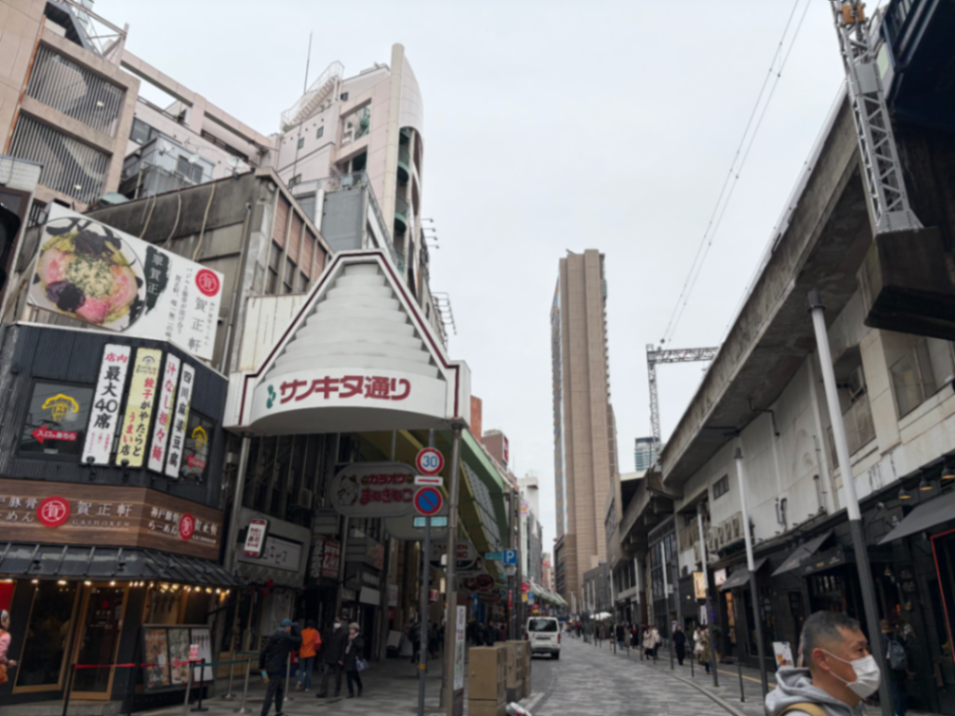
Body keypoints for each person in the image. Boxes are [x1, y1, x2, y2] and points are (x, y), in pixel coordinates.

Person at [766, 611, 882, 716]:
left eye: (867, 649)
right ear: (822, 659)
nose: (868, 657)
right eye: (860, 650)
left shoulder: (852, 706)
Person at [258, 618, 302, 716]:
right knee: (270, 692)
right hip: (277, 668)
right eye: (290, 627)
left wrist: (261, 666)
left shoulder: (273, 637)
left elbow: (263, 652)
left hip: (269, 667)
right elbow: (299, 640)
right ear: (287, 627)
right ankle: (264, 713)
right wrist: (296, 628)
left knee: (279, 689)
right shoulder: (286, 638)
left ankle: (278, 711)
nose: (290, 629)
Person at [880, 619, 914, 716]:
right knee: (900, 688)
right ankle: (902, 710)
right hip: (899, 666)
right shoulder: (896, 636)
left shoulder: (880, 638)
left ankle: (897, 711)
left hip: (888, 668)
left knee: (893, 690)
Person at [317, 618, 348, 698]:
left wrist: (342, 659)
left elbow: (344, 647)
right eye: (335, 622)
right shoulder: (330, 632)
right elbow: (326, 645)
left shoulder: (344, 633)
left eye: (338, 622)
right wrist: (324, 656)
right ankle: (323, 691)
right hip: (329, 656)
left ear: (341, 623)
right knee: (325, 674)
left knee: (337, 676)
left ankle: (337, 690)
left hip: (338, 657)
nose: (336, 624)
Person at [296, 620, 321, 691]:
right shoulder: (315, 632)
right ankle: (307, 687)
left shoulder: (302, 632)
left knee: (301, 669)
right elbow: (318, 642)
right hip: (311, 653)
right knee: (308, 670)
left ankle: (299, 680)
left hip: (302, 653)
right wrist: (315, 649)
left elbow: (299, 641)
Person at [342, 622, 364, 698]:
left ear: (356, 630)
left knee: (355, 675)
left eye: (352, 629)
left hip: (355, 659)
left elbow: (360, 646)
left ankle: (360, 686)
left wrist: (353, 640)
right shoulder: (347, 637)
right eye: (350, 629)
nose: (350, 630)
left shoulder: (359, 637)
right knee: (348, 675)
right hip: (348, 658)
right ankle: (351, 692)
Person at [0, 610, 17, 686]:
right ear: (2, 621)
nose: (9, 622)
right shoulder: (5, 636)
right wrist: (7, 662)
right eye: (8, 619)